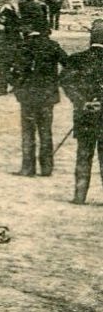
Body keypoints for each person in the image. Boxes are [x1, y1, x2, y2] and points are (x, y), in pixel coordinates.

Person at [8, 21, 68, 177]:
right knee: (46, 131)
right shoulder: (53, 46)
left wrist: (17, 86)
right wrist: (57, 81)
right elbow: (69, 65)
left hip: (27, 95)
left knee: (28, 132)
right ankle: (47, 167)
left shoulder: (22, 46)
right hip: (47, 95)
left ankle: (28, 167)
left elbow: (12, 72)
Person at [58, 22, 103, 204]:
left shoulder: (77, 59)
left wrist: (82, 102)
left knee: (83, 154)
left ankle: (79, 195)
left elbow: (66, 82)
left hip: (84, 114)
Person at [0, 0, 22, 95]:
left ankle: (15, 85)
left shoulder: (10, 12)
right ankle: (3, 88)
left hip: (11, 41)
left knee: (9, 64)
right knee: (0, 65)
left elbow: (18, 27)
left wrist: (5, 27)